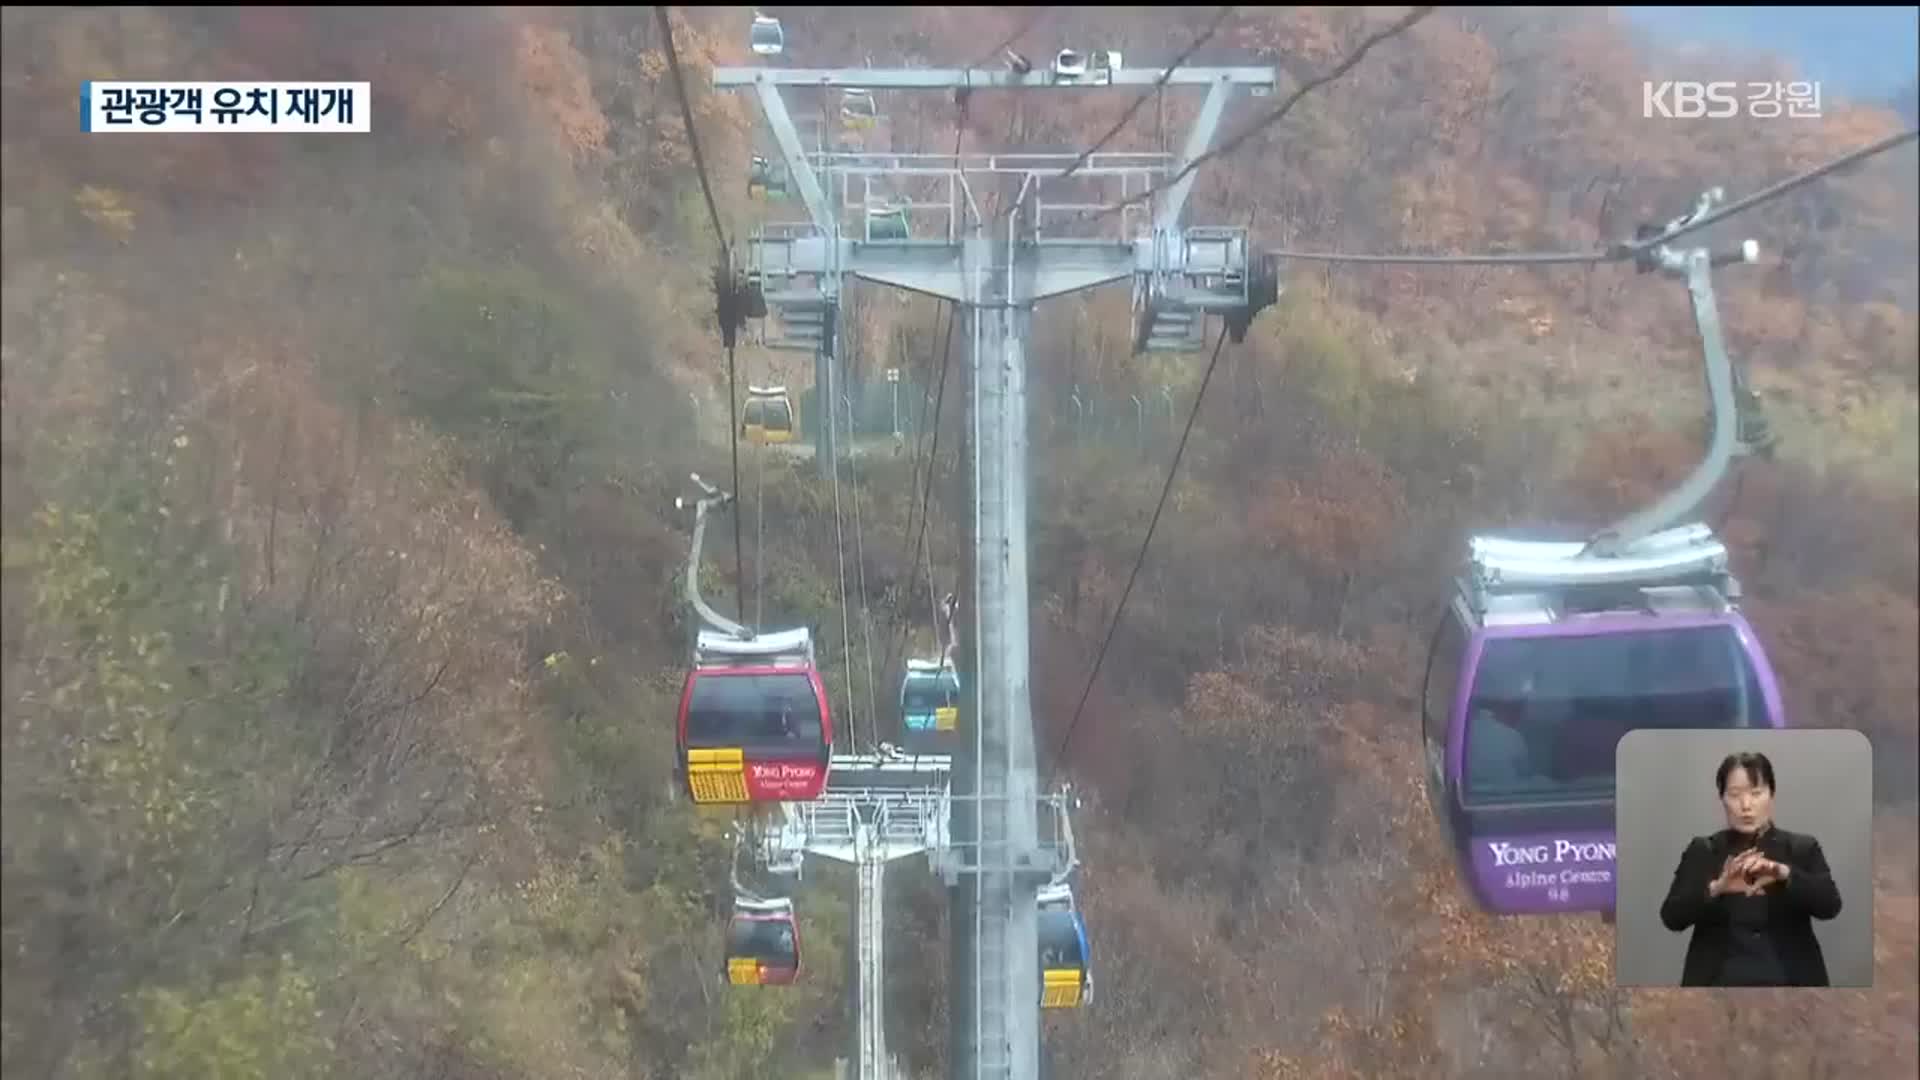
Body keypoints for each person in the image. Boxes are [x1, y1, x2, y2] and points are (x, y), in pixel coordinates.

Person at [1657, 751, 1843, 987]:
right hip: (1718, 987)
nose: (1746, 805)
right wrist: (1717, 888)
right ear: (1722, 798)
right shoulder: (1704, 850)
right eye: (1735, 795)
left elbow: (1830, 906)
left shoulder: (1801, 848)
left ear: (1771, 795)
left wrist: (1783, 874)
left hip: (1790, 986)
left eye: (1756, 793)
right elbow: (1672, 917)